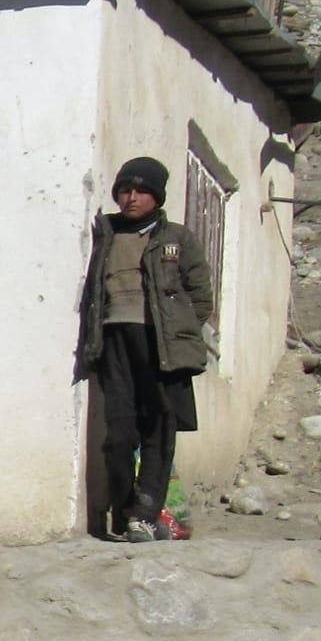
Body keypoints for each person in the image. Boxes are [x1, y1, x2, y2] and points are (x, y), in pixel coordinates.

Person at [76, 155, 215, 542]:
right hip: (113, 340)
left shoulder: (177, 239)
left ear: (157, 197)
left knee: (159, 427)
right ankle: (123, 514)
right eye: (125, 190)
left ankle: (145, 516)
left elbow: (201, 298)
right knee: (120, 432)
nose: (131, 198)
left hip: (159, 345)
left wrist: (177, 332)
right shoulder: (105, 235)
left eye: (141, 191)